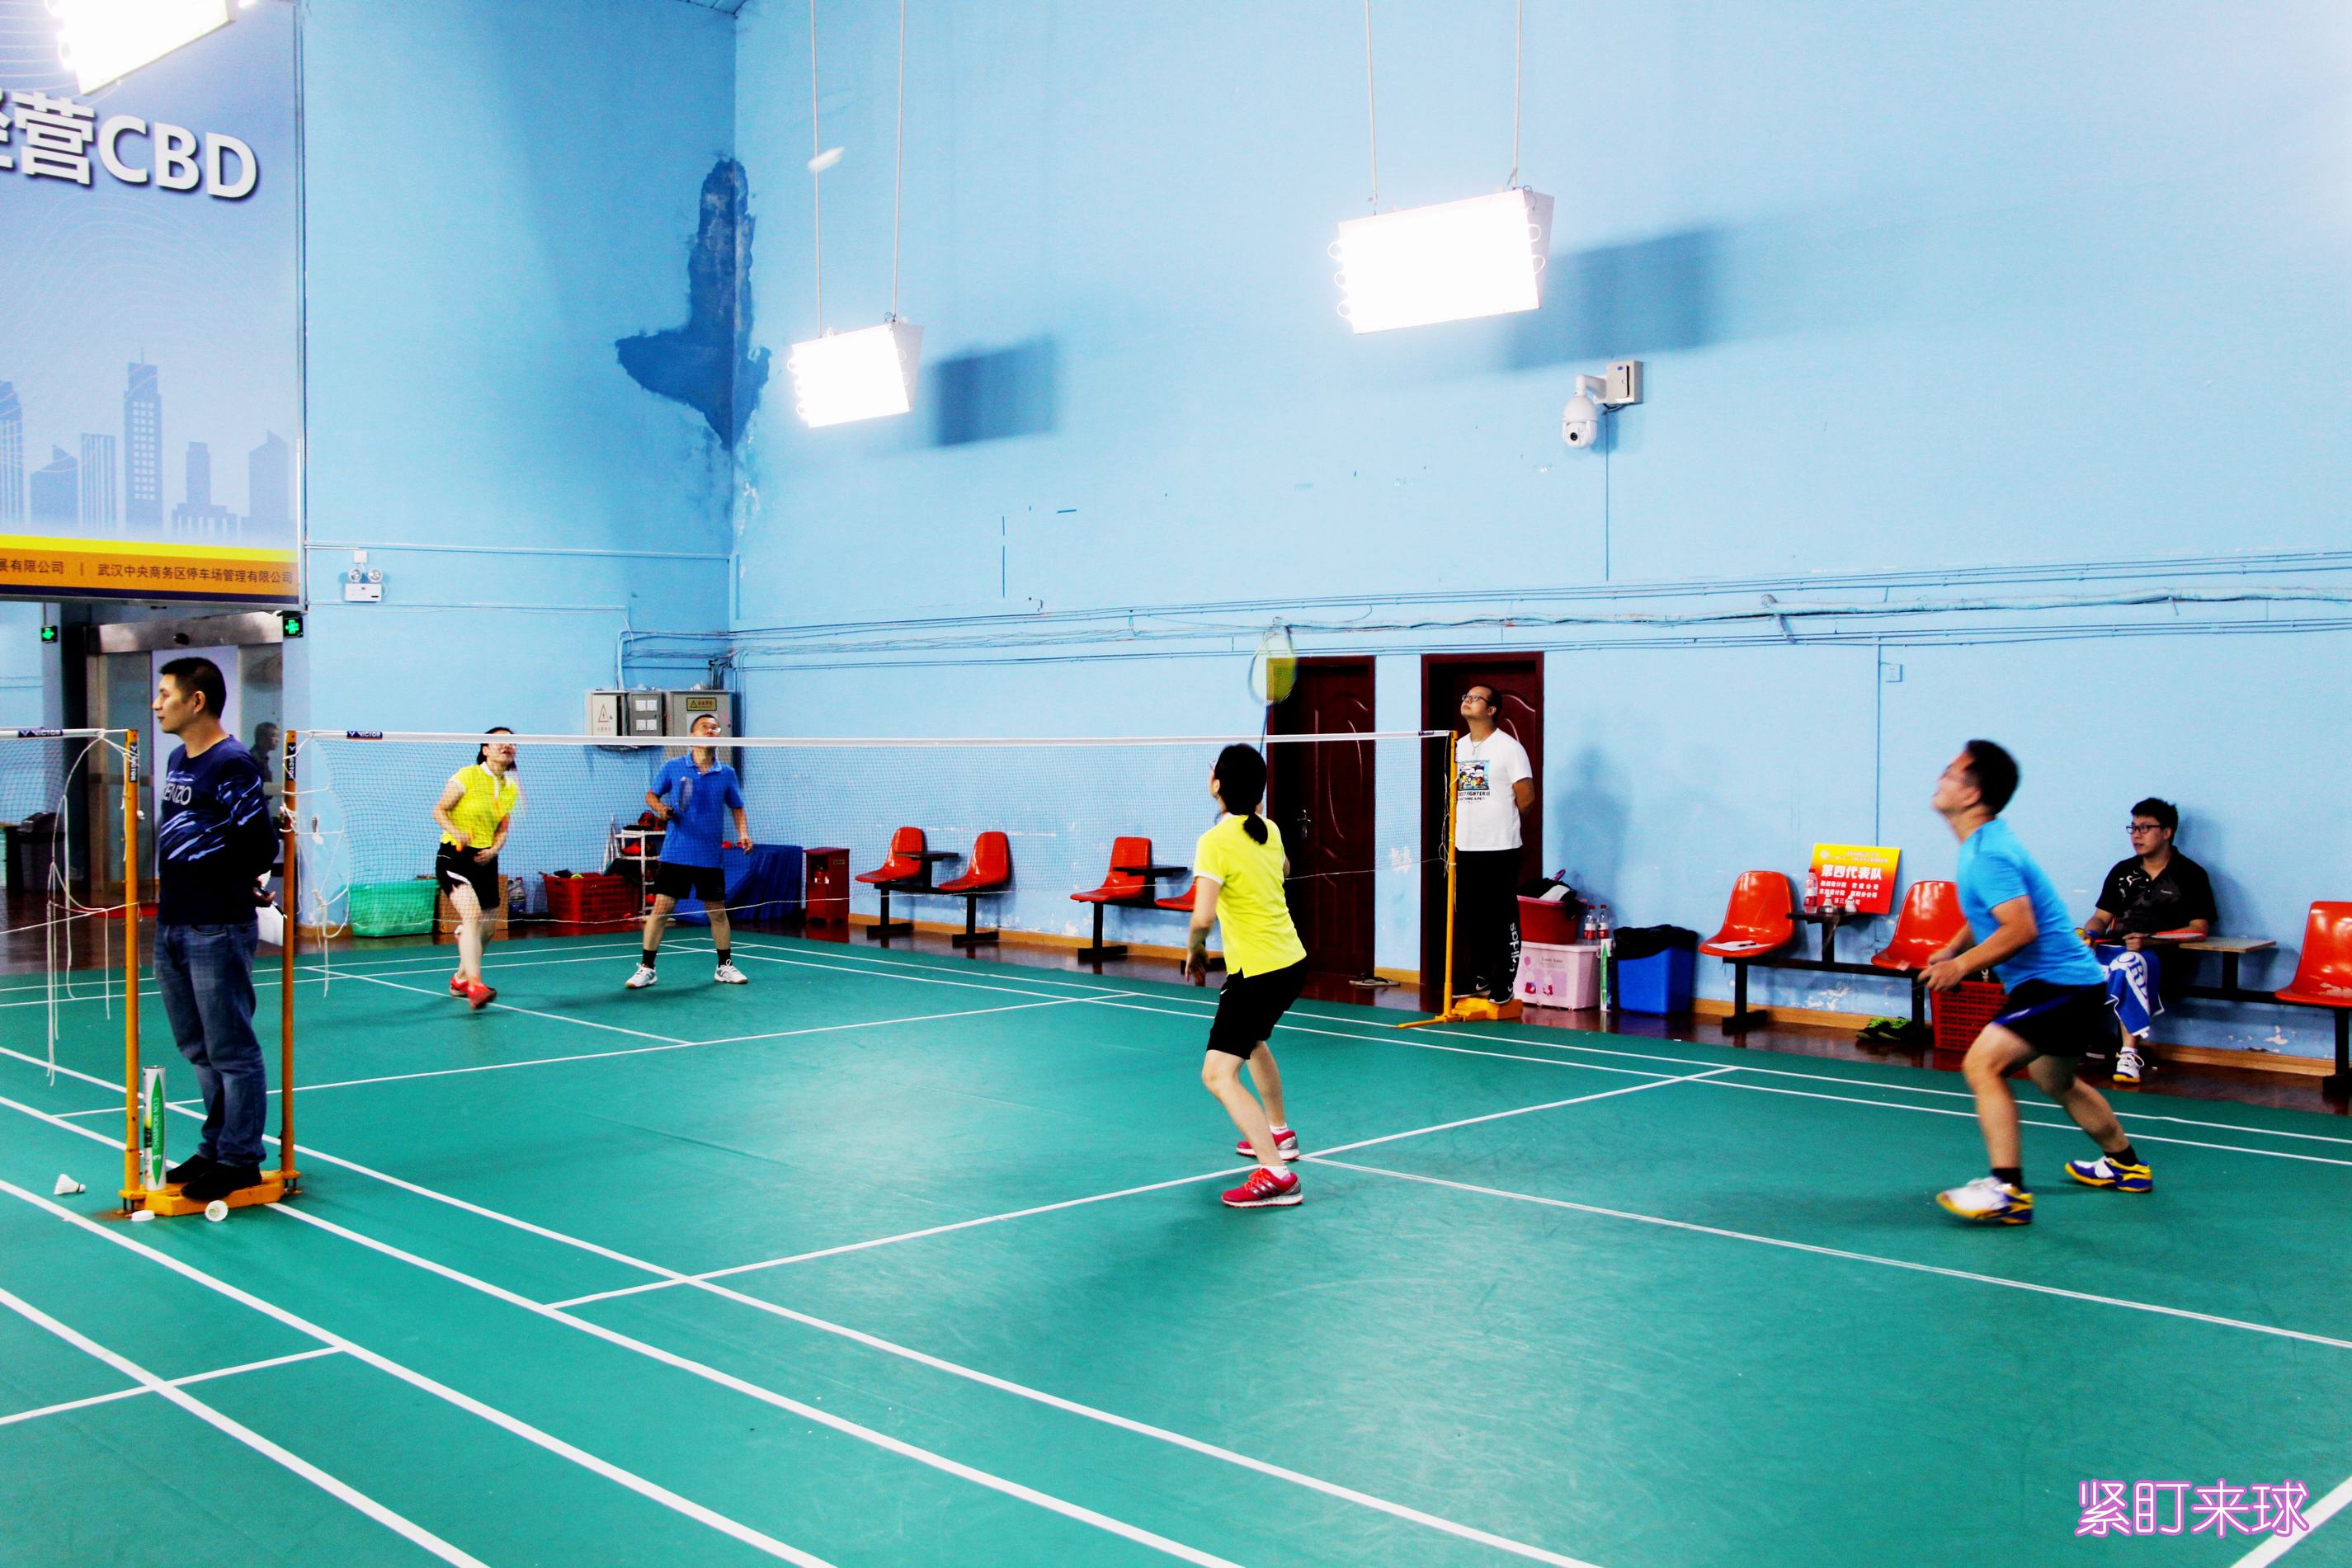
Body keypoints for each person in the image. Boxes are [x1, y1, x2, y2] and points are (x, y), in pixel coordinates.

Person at [1922, 741, 2150, 1225]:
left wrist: (1960, 968)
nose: (1940, 779)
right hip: (2068, 985)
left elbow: (2020, 928)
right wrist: (1953, 948)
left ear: (1972, 794)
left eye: (1950, 773)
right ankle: (2127, 1166)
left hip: (2059, 986)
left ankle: (2007, 1191)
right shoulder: (1984, 844)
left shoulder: (1988, 853)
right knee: (2055, 1080)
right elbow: (1990, 911)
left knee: (1982, 1066)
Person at [149, 657, 280, 1204]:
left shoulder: (232, 764)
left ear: (196, 701)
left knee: (231, 1048)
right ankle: (216, 1145)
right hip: (173, 922)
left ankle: (240, 1159)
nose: (157, 704)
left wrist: (230, 884)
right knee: (197, 1046)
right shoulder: (179, 759)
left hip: (216, 927)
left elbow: (261, 845)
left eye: (165, 694)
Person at [1185, 743, 1309, 1209]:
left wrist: (1195, 950)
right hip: (1289, 962)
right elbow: (1285, 869)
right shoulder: (1269, 829)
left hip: (1258, 972)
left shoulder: (1214, 841)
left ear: (1217, 784)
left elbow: (1203, 915)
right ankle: (1279, 1133)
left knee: (1218, 1074)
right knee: (1253, 1042)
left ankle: (1276, 1175)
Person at [2080, 798, 2215, 1086]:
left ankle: (2129, 1055)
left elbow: (2198, 930)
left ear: (2167, 832)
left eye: (2145, 828)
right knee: (2068, 960)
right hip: (2116, 949)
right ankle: (2073, 1041)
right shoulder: (2122, 871)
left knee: (2128, 963)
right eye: (2133, 828)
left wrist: (2151, 941)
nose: (2136, 835)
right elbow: (2100, 918)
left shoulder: (2190, 874)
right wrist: (2089, 935)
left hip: (2164, 958)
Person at [625, 713, 752, 989]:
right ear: (691, 736)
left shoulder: (726, 773)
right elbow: (651, 795)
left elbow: (737, 807)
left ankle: (724, 966)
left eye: (715, 728)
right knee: (662, 909)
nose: (711, 730)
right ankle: (647, 968)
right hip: (677, 853)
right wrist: (661, 809)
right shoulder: (674, 767)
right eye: (705, 727)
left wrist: (743, 833)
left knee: (717, 912)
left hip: (709, 856)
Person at [1452, 684, 1534, 1003]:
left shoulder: (1509, 748)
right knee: (1469, 916)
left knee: (1502, 916)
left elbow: (1526, 798)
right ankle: (1477, 977)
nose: (1468, 700)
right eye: (1466, 696)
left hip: (1501, 847)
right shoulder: (1458, 747)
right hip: (1465, 847)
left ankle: (1504, 982)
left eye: (1476, 698)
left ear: (1491, 710)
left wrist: (1502, 823)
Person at [431, 727, 521, 1010]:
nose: (507, 745)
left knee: (487, 930)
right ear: (485, 749)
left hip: (486, 859)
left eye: (512, 742)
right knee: (471, 915)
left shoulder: (510, 787)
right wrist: (457, 833)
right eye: (500, 741)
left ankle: (460, 979)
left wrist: (494, 850)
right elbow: (439, 810)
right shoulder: (467, 776)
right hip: (455, 856)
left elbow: (503, 827)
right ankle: (475, 985)